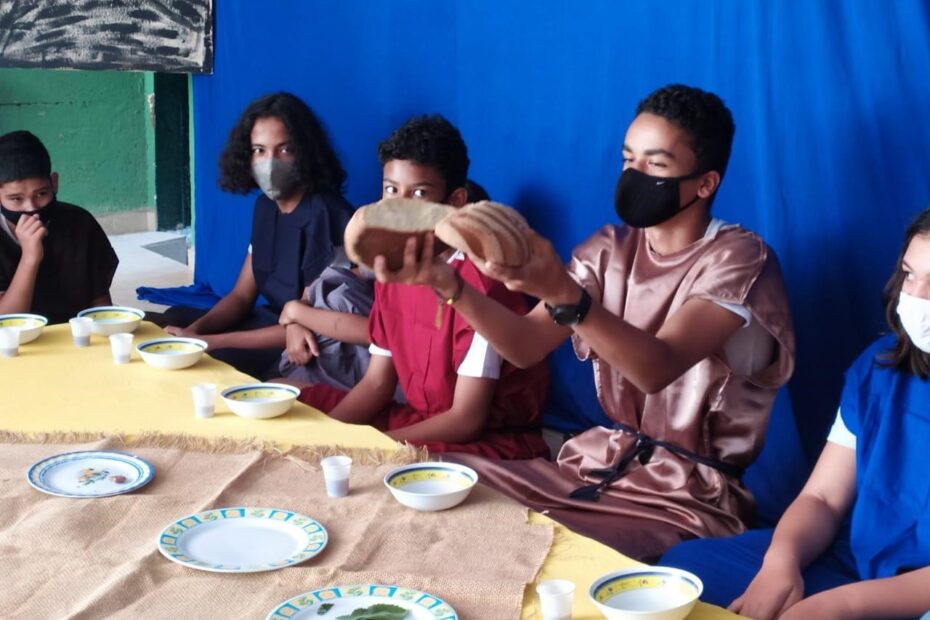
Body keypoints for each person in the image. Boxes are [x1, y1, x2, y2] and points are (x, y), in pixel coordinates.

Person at [375, 85, 795, 560]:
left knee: (528, 550)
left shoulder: (739, 259)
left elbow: (656, 368)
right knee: (438, 483)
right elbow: (525, 345)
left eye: (655, 165)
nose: (634, 175)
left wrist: (564, 295)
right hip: (598, 465)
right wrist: (450, 286)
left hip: (686, 496)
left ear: (705, 183)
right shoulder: (608, 248)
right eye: (628, 159)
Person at [661, 208, 930, 619]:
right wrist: (780, 563)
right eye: (910, 276)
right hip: (856, 562)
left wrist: (841, 605)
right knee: (685, 573)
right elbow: (823, 498)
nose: (915, 298)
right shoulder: (881, 367)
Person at [298, 115, 549, 459]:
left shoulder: (482, 286)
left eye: (418, 193)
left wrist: (373, 448)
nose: (397, 209)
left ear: (455, 201)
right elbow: (377, 383)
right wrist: (326, 439)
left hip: (482, 441)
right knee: (293, 404)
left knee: (375, 468)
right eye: (391, 190)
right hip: (420, 420)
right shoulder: (394, 267)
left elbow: (466, 420)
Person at [162, 93, 352, 379]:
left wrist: (210, 342)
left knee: (213, 363)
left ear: (305, 152)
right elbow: (241, 296)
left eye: (284, 149)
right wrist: (194, 331)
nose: (270, 163)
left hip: (302, 339)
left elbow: (310, 322)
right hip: (267, 320)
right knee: (174, 317)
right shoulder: (265, 207)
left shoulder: (329, 214)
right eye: (259, 151)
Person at [0, 130, 118, 324]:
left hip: (75, 332)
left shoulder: (80, 222)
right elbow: (6, 323)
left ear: (54, 183)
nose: (31, 208)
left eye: (41, 194)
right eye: (16, 199)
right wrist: (30, 257)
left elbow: (100, 304)